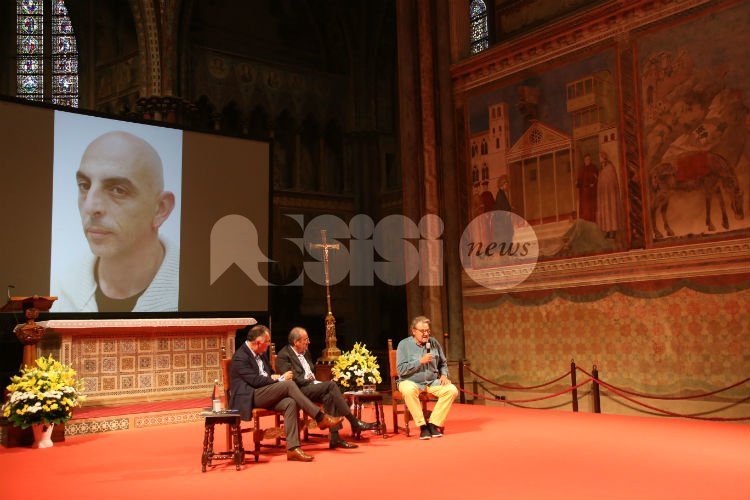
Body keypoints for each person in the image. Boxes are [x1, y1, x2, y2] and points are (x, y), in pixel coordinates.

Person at [52, 131, 178, 312]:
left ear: (160, 209)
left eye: (118, 190)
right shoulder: (61, 291)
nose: (90, 206)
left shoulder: (197, 290)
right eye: (84, 186)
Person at [229, 325, 344, 462]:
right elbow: (255, 381)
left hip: (265, 391)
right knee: (289, 384)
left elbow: (270, 373)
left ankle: (293, 449)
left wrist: (277, 377)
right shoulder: (240, 357)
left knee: (290, 402)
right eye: (267, 342)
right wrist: (280, 379)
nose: (268, 345)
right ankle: (320, 417)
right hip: (250, 395)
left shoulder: (261, 353)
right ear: (258, 342)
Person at [276, 327, 378, 449]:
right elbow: (293, 380)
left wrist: (314, 382)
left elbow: (310, 371)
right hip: (298, 391)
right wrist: (311, 381)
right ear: (296, 342)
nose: (308, 342)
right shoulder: (284, 356)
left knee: (329, 396)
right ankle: (354, 422)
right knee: (331, 385)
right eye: (305, 340)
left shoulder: (306, 352)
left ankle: (335, 438)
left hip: (311, 386)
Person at [396, 316, 458, 440]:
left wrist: (444, 375)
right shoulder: (404, 344)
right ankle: (423, 426)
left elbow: (443, 363)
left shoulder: (433, 342)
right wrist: (420, 361)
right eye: (422, 331)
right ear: (414, 331)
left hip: (431, 382)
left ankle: (433, 424)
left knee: (452, 390)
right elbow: (401, 370)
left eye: (428, 331)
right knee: (408, 390)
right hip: (410, 381)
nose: (426, 334)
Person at [596, 151, 623, 238]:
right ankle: (607, 231)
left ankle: (613, 231)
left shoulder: (610, 168)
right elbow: (601, 181)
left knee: (611, 213)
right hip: (604, 196)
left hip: (610, 196)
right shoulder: (601, 169)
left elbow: (612, 181)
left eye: (600, 157)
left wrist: (607, 187)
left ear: (604, 157)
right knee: (605, 214)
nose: (599, 159)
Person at [491, 175, 514, 245]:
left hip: (505, 218)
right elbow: (500, 207)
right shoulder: (500, 194)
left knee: (510, 232)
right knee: (507, 233)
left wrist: (510, 208)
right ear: (502, 184)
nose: (506, 186)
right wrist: (507, 212)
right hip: (502, 219)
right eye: (506, 184)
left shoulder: (502, 193)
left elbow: (504, 205)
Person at [576, 154, 598, 222]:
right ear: (584, 160)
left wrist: (594, 184)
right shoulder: (581, 169)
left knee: (592, 210)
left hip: (591, 192)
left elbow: (597, 178)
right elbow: (579, 181)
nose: (587, 161)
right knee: (585, 210)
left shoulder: (594, 168)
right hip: (584, 193)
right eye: (586, 159)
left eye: (589, 159)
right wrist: (577, 183)